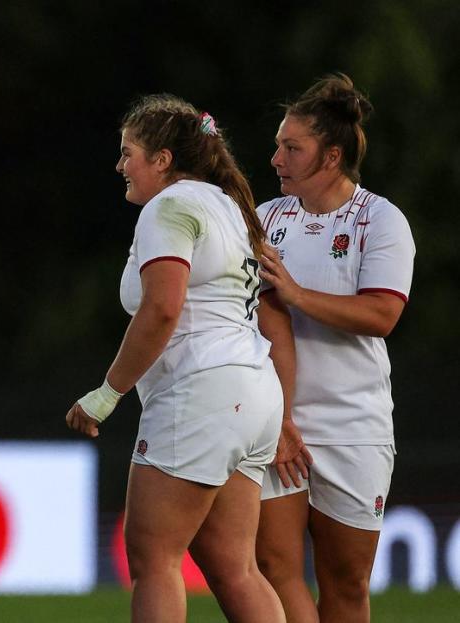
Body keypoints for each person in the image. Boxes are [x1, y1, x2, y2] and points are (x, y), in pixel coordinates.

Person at [64, 95, 291, 622]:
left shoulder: (171, 206)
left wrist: (107, 394)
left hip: (203, 394)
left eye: (128, 153)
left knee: (153, 558)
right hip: (254, 391)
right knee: (234, 567)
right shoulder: (229, 206)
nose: (120, 166)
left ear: (162, 159)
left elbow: (163, 309)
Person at [255, 74, 415, 623]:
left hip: (353, 424)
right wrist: (274, 414)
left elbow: (381, 315)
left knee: (345, 585)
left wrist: (296, 294)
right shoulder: (268, 220)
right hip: (277, 421)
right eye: (279, 144)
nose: (276, 156)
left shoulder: (381, 219)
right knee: (273, 570)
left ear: (332, 156)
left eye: (291, 147)